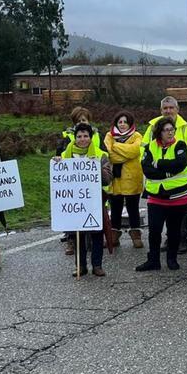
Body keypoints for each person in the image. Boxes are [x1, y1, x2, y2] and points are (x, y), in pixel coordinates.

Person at [53, 123, 113, 277]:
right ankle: (80, 266)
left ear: (91, 137)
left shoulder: (100, 155)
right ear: (75, 138)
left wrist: (95, 167)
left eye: (86, 136)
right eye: (79, 136)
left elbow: (108, 179)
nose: (82, 139)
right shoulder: (65, 155)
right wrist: (57, 163)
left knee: (96, 234)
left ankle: (97, 265)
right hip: (75, 202)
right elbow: (58, 178)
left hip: (94, 202)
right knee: (77, 235)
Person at [142, 96, 187, 253]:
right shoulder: (152, 127)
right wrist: (158, 171)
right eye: (165, 108)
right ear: (161, 110)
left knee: (180, 214)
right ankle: (169, 240)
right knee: (160, 214)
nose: (168, 111)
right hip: (158, 182)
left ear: (177, 109)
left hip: (181, 179)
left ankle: (182, 239)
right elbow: (144, 150)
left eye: (171, 108)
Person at [136, 117, 187, 272]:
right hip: (156, 197)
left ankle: (172, 259)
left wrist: (158, 164)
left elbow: (179, 164)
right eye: (166, 130)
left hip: (178, 197)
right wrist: (167, 173)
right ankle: (153, 260)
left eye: (172, 129)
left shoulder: (180, 145)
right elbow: (147, 170)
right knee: (154, 230)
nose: (170, 132)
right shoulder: (150, 147)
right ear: (159, 132)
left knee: (174, 231)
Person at [57, 106, 103, 255]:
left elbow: (103, 152)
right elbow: (60, 155)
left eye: (83, 120)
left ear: (89, 121)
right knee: (73, 213)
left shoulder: (97, 135)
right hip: (74, 185)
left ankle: (95, 239)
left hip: (91, 184)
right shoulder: (67, 136)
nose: (81, 123)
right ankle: (71, 239)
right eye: (78, 121)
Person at [104, 111, 144, 249]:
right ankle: (114, 235)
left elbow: (135, 151)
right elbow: (110, 155)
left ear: (130, 124)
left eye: (125, 122)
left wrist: (115, 146)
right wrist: (126, 154)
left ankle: (136, 235)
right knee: (115, 208)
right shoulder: (109, 136)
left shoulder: (137, 136)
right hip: (115, 179)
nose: (122, 124)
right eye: (120, 122)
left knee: (133, 208)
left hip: (132, 177)